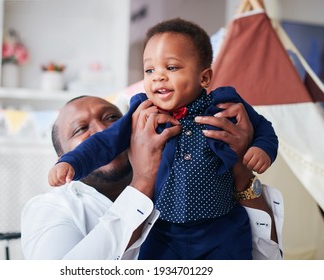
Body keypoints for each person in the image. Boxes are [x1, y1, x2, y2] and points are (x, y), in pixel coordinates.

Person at [48, 18, 279, 259]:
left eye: (171, 68)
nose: (158, 77)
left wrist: (262, 150)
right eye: (149, 70)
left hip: (222, 226)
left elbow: (263, 129)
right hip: (163, 230)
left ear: (205, 78)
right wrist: (71, 162)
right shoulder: (142, 115)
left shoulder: (226, 104)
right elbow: (104, 141)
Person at [21, 95, 283, 260]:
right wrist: (143, 181)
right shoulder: (52, 208)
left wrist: (239, 167)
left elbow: (267, 260)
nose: (104, 130)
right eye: (80, 129)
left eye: (113, 118)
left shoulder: (189, 181)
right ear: (62, 154)